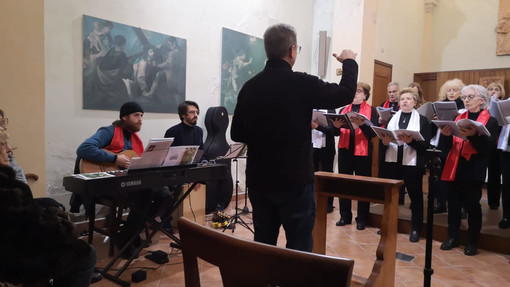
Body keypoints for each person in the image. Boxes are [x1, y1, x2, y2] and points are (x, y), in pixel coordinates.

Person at [230, 23, 358, 252]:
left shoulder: (249, 87)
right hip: (294, 180)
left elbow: (237, 133)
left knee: (264, 245)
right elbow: (345, 94)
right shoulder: (301, 82)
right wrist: (349, 62)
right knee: (299, 247)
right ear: (292, 51)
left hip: (260, 180)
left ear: (267, 50)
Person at [75, 102, 171, 258]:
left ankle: (127, 234)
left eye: (141, 116)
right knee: (145, 195)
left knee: (165, 195)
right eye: (136, 115)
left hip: (129, 184)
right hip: (108, 184)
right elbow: (84, 148)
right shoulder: (109, 131)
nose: (140, 119)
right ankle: (127, 237)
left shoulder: (135, 139)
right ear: (124, 117)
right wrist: (114, 158)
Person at [0, 164, 96, 287]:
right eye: (3, 146)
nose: (8, 149)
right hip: (9, 259)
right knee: (85, 252)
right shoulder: (6, 190)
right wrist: (63, 224)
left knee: (51, 204)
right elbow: (30, 222)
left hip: (13, 238)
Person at [438, 85, 498, 256]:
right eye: (465, 97)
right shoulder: (457, 118)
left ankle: (472, 241)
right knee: (454, 204)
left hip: (474, 168)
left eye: (471, 96)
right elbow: (445, 147)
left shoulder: (491, 121)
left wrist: (472, 135)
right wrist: (446, 135)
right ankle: (452, 237)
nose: (467, 100)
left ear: (482, 99)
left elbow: (487, 150)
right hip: (455, 164)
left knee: (472, 205)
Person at [379, 88, 431, 242]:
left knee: (415, 197)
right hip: (392, 162)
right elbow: (384, 143)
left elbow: (425, 146)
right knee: (390, 196)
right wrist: (384, 142)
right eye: (402, 99)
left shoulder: (422, 121)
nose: (405, 101)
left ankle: (415, 228)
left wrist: (412, 141)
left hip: (412, 164)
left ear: (415, 102)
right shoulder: (391, 119)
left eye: (409, 99)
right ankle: (387, 224)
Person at [332, 82, 379, 230]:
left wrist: (362, 124)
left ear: (365, 94)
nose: (355, 94)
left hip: (363, 152)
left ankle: (362, 218)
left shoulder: (371, 110)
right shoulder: (343, 109)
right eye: (354, 91)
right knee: (344, 184)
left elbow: (373, 134)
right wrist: (335, 127)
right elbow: (335, 133)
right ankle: (345, 216)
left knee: (362, 186)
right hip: (345, 150)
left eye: (359, 91)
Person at [430, 79, 466, 214]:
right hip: (441, 143)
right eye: (449, 90)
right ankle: (441, 202)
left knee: (458, 176)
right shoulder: (439, 105)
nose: (451, 93)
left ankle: (461, 206)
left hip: (457, 144)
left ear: (461, 92)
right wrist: (434, 121)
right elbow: (434, 131)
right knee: (440, 175)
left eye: (455, 90)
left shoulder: (463, 107)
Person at [311, 108, 336, 213]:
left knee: (327, 176)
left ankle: (328, 204)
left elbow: (333, 130)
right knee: (311, 175)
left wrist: (318, 127)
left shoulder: (330, 109)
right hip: (312, 146)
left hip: (327, 148)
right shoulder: (310, 108)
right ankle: (312, 202)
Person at [486, 82, 506, 210]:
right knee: (493, 173)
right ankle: (493, 202)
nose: (494, 91)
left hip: (503, 142)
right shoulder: (484, 106)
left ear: (501, 92)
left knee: (504, 174)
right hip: (491, 144)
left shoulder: (505, 105)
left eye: (497, 89)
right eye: (491, 89)